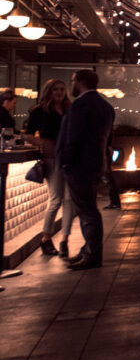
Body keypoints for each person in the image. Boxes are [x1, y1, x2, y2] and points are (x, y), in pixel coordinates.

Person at [55, 70, 115, 271]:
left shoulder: (80, 105)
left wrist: (66, 162)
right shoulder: (105, 106)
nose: (71, 84)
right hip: (96, 163)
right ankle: (87, 250)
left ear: (80, 82)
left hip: (79, 165)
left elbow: (74, 136)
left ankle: (92, 254)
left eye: (72, 81)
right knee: (87, 209)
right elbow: (108, 137)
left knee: (87, 211)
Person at [24, 80, 75, 258]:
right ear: (49, 91)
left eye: (62, 89)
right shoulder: (40, 111)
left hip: (70, 158)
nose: (59, 92)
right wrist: (43, 143)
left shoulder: (70, 109)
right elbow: (29, 134)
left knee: (70, 201)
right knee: (56, 199)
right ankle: (46, 238)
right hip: (52, 158)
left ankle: (65, 240)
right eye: (56, 90)